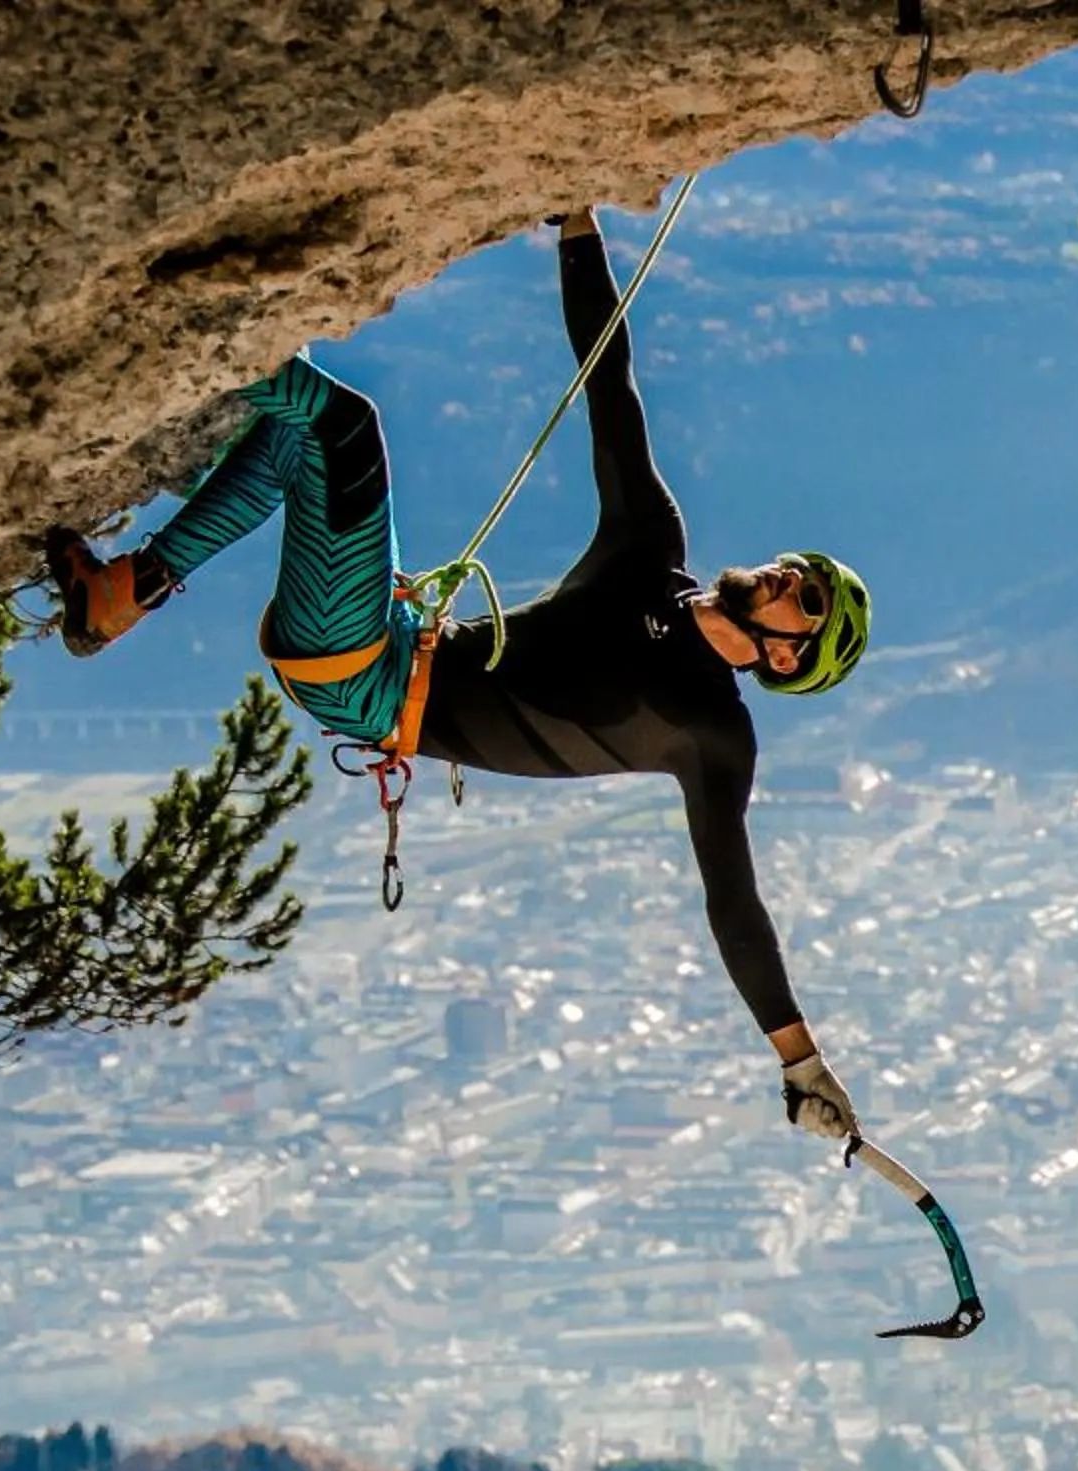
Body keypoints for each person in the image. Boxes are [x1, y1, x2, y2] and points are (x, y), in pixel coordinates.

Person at [44, 210, 868, 1148]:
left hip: (372, 679)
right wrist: (577, 226)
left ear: (787, 657)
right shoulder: (652, 551)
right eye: (800, 568)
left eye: (804, 599)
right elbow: (612, 384)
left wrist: (797, 1059)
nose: (786, 575)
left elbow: (733, 899)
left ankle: (175, 336)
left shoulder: (712, 732)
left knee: (346, 425)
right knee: (297, 440)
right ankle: (122, 593)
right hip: (384, 637)